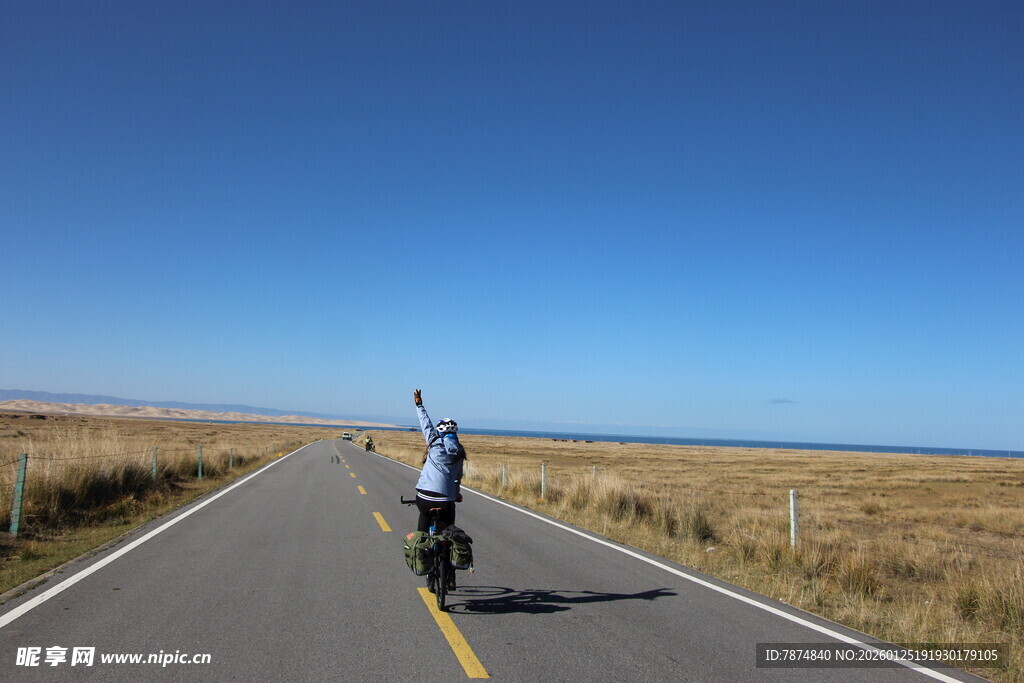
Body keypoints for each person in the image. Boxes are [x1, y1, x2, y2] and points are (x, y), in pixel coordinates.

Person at [412, 388, 465, 534]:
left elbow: (425, 424)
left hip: (425, 496)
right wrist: (456, 495)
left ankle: (421, 548)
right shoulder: (460, 452)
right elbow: (457, 479)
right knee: (447, 532)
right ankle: (446, 552)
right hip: (446, 499)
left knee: (423, 519)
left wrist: (419, 404)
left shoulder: (434, 442)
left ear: (440, 432)